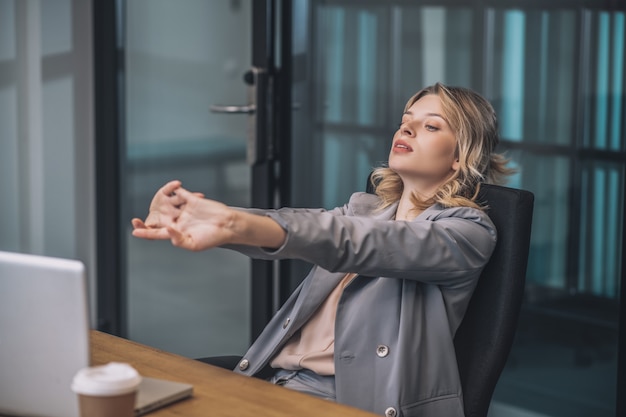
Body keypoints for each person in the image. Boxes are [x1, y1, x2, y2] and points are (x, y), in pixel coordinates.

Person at [132, 82, 512, 417]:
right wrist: (207, 219)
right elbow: (301, 224)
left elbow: (354, 243)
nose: (407, 127)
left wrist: (231, 223)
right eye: (406, 119)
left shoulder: (468, 233)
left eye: (431, 126)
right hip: (274, 382)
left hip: (345, 402)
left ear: (461, 156)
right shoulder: (365, 212)